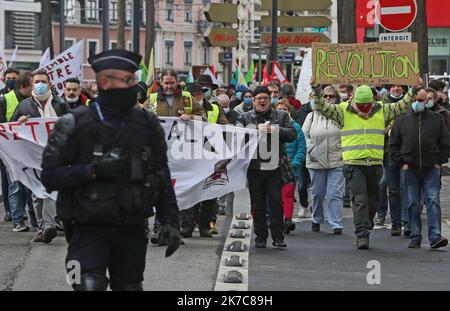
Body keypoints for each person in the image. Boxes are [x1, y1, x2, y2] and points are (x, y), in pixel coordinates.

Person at [40, 49, 181, 291]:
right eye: (127, 81)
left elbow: (160, 173)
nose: (134, 86)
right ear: (104, 82)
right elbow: (50, 177)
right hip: (87, 227)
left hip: (132, 227)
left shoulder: (146, 124)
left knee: (129, 287)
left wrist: (169, 220)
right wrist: (92, 171)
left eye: (134, 80)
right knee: (85, 283)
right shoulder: (73, 124)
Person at [310, 77, 423, 249]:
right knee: (360, 199)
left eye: (367, 105)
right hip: (353, 163)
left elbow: (403, 105)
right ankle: (362, 234)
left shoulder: (382, 110)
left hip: (374, 163)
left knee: (374, 199)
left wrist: (414, 89)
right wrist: (317, 89)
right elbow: (321, 108)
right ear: (353, 100)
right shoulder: (342, 110)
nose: (365, 109)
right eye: (361, 106)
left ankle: (366, 221)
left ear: (373, 101)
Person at [11, 70, 71, 242]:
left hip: (57, 155)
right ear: (32, 84)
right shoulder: (24, 106)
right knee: (37, 194)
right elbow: (13, 129)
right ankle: (41, 227)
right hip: (34, 156)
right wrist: (20, 122)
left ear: (50, 84)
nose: (40, 84)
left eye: (43, 81)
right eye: (37, 81)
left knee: (51, 190)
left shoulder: (60, 104)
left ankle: (49, 226)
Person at [146, 69, 202, 244]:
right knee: (159, 191)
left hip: (182, 154)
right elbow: (139, 118)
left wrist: (191, 116)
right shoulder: (153, 99)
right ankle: (158, 230)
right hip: (159, 154)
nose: (169, 86)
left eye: (172, 82)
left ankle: (174, 231)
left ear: (177, 82)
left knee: (178, 192)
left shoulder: (187, 98)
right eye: (166, 83)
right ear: (161, 83)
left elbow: (203, 117)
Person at [236, 86, 297, 248]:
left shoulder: (282, 115)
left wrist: (274, 130)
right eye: (258, 98)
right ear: (253, 101)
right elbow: (236, 136)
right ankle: (260, 236)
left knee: (276, 202)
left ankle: (278, 236)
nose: (262, 101)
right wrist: (255, 129)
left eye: (265, 98)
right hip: (254, 168)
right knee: (258, 204)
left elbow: (292, 135)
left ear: (270, 100)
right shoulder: (244, 117)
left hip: (275, 167)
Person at [389, 89, 450, 249]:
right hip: (410, 168)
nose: (419, 102)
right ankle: (415, 235)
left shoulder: (437, 119)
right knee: (413, 203)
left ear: (427, 102)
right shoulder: (402, 120)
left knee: (432, 200)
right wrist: (403, 163)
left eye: (422, 100)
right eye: (416, 99)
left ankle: (435, 235)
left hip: (432, 168)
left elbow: (446, 143)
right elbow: (393, 145)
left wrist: (440, 161)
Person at [179, 82, 227, 238]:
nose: (196, 98)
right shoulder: (180, 109)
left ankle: (205, 225)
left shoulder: (214, 108)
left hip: (209, 155)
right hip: (188, 155)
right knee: (190, 192)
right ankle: (187, 226)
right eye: (193, 95)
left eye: (199, 94)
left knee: (209, 192)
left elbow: (225, 127)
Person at [303, 86, 344, 234]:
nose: (327, 99)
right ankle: (317, 218)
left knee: (335, 194)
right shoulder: (312, 116)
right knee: (318, 193)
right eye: (325, 96)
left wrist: (343, 149)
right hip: (315, 161)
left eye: (331, 96)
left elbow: (347, 134)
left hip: (336, 160)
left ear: (337, 98)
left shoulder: (340, 115)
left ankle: (336, 223)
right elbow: (304, 135)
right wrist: (311, 149)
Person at [274, 100, 306, 234]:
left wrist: (295, 163)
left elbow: (302, 147)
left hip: (290, 167)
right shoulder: (271, 127)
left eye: (284, 109)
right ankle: (277, 219)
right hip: (274, 166)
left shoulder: (296, 127)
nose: (282, 111)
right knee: (276, 196)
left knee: (287, 193)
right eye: (279, 109)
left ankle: (287, 220)